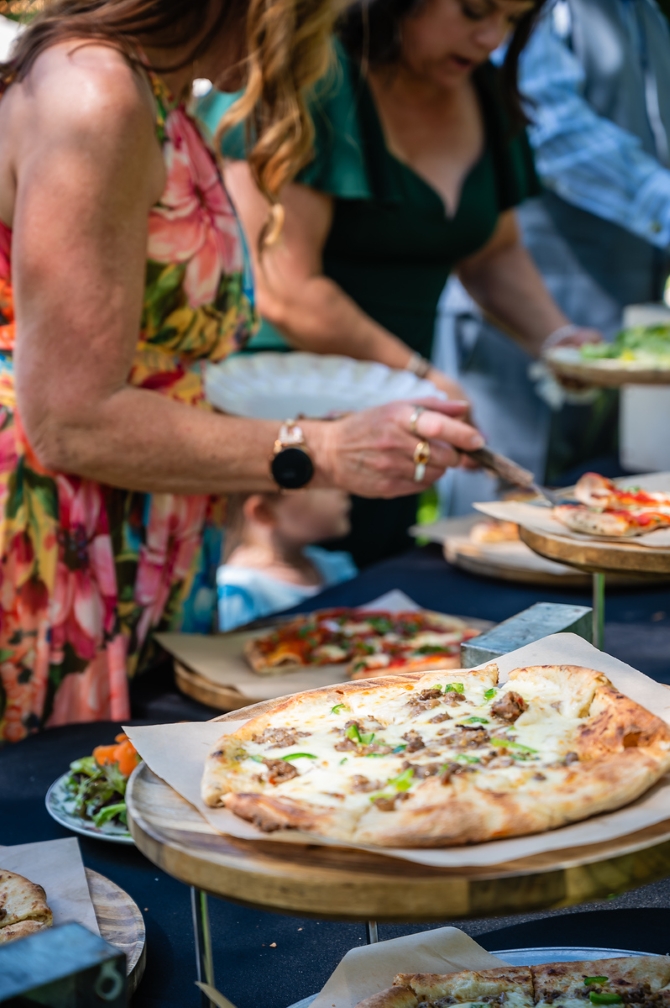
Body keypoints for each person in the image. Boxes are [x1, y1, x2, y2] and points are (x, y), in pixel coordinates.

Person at [0, 0, 485, 742]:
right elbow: (72, 419)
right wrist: (322, 450)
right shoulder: (97, 94)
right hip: (60, 548)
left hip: (144, 535)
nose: (318, 43)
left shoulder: (155, 94)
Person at [198, 0, 601, 567]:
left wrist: (557, 340)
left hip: (398, 423)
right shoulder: (317, 72)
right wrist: (422, 378)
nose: (491, 37)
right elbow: (287, 290)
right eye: (474, 11)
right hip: (285, 428)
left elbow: (491, 250)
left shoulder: (482, 90)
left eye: (512, 20)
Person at [437, 0, 670, 513]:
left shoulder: (647, 15)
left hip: (610, 337)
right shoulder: (551, 8)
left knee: (602, 508)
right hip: (515, 327)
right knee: (501, 521)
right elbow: (556, 130)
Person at [217, 488, 356, 630]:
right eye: (321, 486)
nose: (343, 490)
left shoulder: (336, 566)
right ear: (264, 512)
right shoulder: (236, 592)